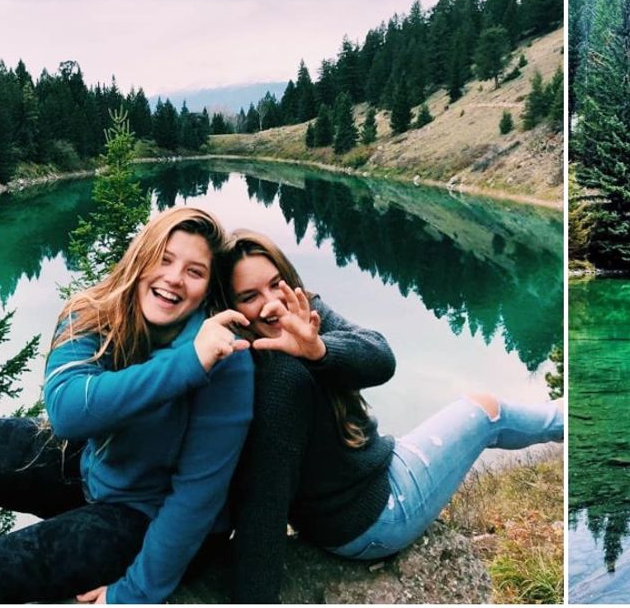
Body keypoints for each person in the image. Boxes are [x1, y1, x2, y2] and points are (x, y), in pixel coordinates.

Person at [222, 230, 564, 603]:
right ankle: (569, 422)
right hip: (376, 518)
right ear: (230, 308)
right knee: (487, 412)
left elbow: (381, 359)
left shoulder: (304, 316)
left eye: (276, 284)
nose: (271, 304)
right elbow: (265, 501)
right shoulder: (279, 379)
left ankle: (564, 421)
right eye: (250, 297)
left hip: (365, 486)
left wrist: (318, 350)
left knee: (482, 413)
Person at [0, 207, 255, 604]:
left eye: (194, 272)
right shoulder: (94, 312)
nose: (174, 278)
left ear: (207, 289)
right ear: (139, 259)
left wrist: (133, 592)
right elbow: (67, 412)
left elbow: (197, 495)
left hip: (154, 516)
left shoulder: (225, 356)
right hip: (101, 475)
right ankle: (81, 532)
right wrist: (186, 364)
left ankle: (90, 541)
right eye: (163, 259)